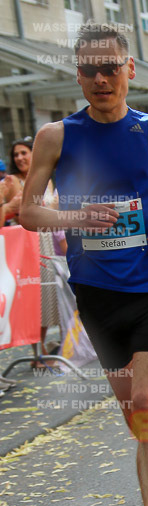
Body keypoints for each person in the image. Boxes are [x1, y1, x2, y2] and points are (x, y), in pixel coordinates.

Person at [19, 21, 148, 506]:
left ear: (129, 70)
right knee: (137, 417)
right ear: (78, 76)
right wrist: (75, 217)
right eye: (90, 70)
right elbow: (28, 212)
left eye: (110, 68)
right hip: (96, 291)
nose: (101, 79)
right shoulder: (56, 136)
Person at [1, 137, 62, 357]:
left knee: (48, 293)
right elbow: (9, 213)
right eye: (16, 155)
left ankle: (49, 346)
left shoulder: (46, 179)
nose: (19, 158)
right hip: (25, 244)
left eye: (24, 153)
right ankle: (38, 351)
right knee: (32, 295)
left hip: (48, 242)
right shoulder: (12, 182)